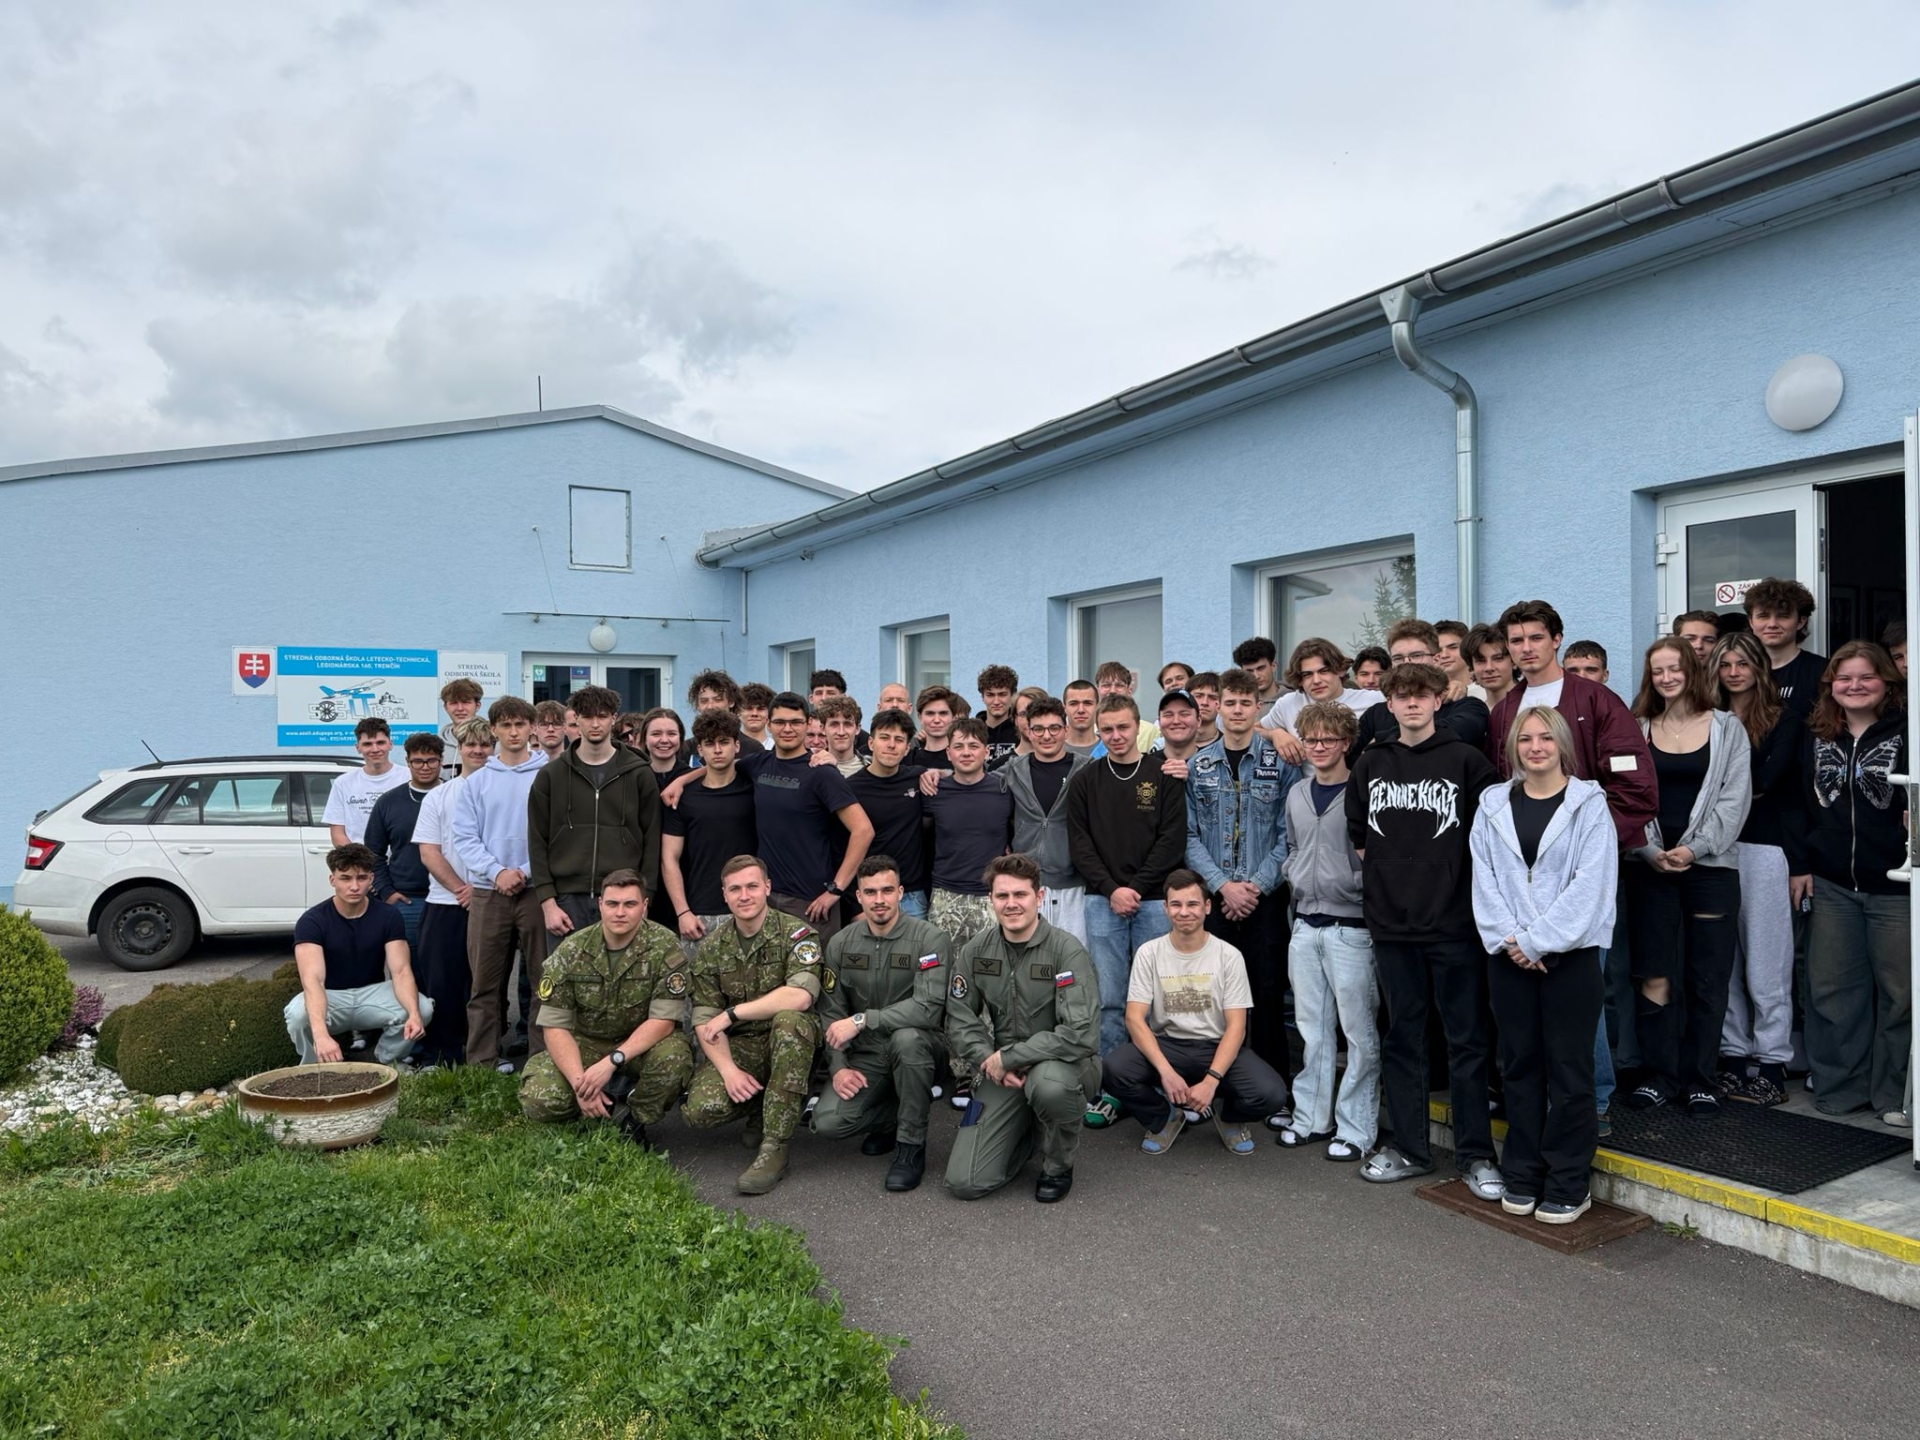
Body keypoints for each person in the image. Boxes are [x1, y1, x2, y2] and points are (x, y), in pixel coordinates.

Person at [1348, 662, 1505, 1198]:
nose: (1412, 704)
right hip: (1392, 925)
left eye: (1422, 695)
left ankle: (1477, 1155)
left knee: (1466, 1040)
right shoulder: (1371, 762)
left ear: (1440, 700)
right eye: (1401, 696)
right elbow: (1362, 839)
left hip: (1455, 925)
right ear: (1387, 703)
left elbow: (1491, 840)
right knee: (1403, 1038)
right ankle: (1412, 1150)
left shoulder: (1467, 761)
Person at [1470, 706, 1619, 1224]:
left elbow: (1591, 884)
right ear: (1513, 747)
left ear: (1561, 746)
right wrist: (1513, 942)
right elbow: (1484, 879)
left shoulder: (1589, 805)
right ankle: (1524, 1170)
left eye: (1545, 739)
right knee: (1519, 1067)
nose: (1535, 747)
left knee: (1570, 1070)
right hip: (1507, 958)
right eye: (1525, 739)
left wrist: (1538, 941)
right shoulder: (1492, 804)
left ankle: (1569, 1180)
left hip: (1570, 958)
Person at [1623, 638, 1752, 1115]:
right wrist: (1649, 850)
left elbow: (1734, 801)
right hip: (1650, 869)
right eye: (1658, 671)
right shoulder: (1636, 730)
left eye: (1675, 668)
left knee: (1707, 977)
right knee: (1654, 974)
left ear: (1692, 670)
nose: (1667, 677)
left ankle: (1700, 1077)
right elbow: (1622, 797)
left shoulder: (1726, 728)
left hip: (1711, 870)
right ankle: (1660, 1074)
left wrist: (1694, 849)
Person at [1786, 642, 1910, 1126]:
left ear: (1887, 682)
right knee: (1832, 990)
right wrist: (1801, 864)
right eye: (1844, 678)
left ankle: (1895, 1095)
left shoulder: (1909, 730)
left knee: (1901, 996)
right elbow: (1796, 805)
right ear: (1830, 686)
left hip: (1896, 885)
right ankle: (1841, 1089)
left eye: (1866, 677)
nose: (1855, 686)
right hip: (1832, 882)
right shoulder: (1816, 734)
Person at [1100, 869, 1289, 1157]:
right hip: (1168, 1045)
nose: (1184, 912)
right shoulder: (1149, 953)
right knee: (1112, 1069)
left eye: (1192, 904)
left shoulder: (1228, 955)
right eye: (1176, 904)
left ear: (1207, 907)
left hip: (1216, 1046)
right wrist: (1166, 1073)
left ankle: (1230, 1118)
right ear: (1165, 908)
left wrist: (1212, 1081)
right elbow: (1134, 1019)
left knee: (1272, 1094)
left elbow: (1237, 1026)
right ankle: (1165, 1118)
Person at [945, 855, 1100, 1203]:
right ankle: (1028, 1131)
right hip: (1002, 1071)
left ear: (1039, 897)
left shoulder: (1066, 951)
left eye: (1021, 895)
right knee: (964, 1182)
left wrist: (1011, 1056)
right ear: (991, 901)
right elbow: (959, 1018)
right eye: (1002, 896)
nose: (1011, 904)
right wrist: (988, 1059)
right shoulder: (975, 951)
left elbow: (1081, 1033)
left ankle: (1058, 1164)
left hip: (1064, 1066)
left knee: (1049, 1087)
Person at [517, 871, 695, 1148]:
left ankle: (634, 1118)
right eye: (612, 904)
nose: (620, 912)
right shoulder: (572, 950)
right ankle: (594, 1109)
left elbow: (663, 1021)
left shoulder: (664, 946)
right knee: (540, 1099)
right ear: (600, 904)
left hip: (640, 1044)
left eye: (630, 904)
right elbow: (555, 1025)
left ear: (645, 906)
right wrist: (581, 1084)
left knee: (674, 1059)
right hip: (585, 1041)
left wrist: (610, 1062)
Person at [811, 856, 953, 1191]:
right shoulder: (842, 943)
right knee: (827, 1123)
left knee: (906, 1039)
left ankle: (910, 1146)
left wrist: (864, 1019)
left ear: (901, 892)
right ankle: (895, 1112)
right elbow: (831, 1012)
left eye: (887, 890)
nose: (879, 899)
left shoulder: (930, 940)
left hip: (922, 1048)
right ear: (858, 896)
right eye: (870, 891)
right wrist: (839, 1067)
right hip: (868, 1056)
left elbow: (928, 1009)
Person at [685, 856, 825, 1194]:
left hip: (793, 1038)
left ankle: (775, 1148)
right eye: (735, 889)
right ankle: (764, 1107)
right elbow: (705, 1021)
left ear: (767, 887)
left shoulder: (797, 933)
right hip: (743, 1046)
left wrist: (733, 1013)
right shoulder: (712, 948)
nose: (744, 895)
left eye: (751, 886)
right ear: (724, 895)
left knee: (790, 1022)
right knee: (700, 1110)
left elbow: (800, 997)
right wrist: (729, 1071)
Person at [1277, 699, 1378, 1161]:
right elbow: (1294, 845)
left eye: (1329, 740)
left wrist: (1356, 884)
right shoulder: (1297, 793)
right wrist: (1293, 872)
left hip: (1352, 927)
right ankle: (1311, 1119)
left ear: (1346, 743)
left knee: (1358, 1033)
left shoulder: (1362, 789)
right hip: (1306, 923)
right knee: (1312, 1029)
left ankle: (1356, 1129)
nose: (1319, 747)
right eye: (1311, 739)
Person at [1187, 669, 1298, 1083]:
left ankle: (1271, 1088)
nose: (1236, 710)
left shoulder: (1281, 763)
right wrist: (1223, 886)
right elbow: (1189, 835)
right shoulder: (1198, 766)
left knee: (1267, 995)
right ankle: (1212, 1084)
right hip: (1215, 900)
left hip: (1264, 898)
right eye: (1228, 702)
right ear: (1214, 707)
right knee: (1212, 998)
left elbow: (1290, 834)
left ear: (1257, 707)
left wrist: (1254, 887)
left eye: (1244, 703)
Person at [1066, 695, 1187, 1069]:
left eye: (1123, 727)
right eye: (1108, 729)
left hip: (1153, 900)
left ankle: (1156, 1075)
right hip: (1102, 901)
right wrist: (1112, 889)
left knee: (1159, 995)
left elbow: (1172, 839)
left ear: (1139, 726)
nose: (1116, 735)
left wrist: (1135, 887)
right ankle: (1114, 1078)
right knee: (1110, 997)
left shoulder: (1164, 773)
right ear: (1098, 731)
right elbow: (1080, 843)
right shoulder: (1085, 779)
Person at [1710, 631, 1803, 1106]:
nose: (1733, 672)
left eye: (1743, 663)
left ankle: (1771, 1059)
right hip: (1712, 850)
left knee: (1767, 961)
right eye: (1725, 664)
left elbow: (1768, 779)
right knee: (1723, 961)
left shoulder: (1782, 717)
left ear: (1758, 668)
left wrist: (1719, 792)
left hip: (1763, 846)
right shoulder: (1707, 719)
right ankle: (1732, 1053)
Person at [452, 695, 550, 1070]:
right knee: (485, 985)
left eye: (520, 724)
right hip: (488, 892)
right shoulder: (476, 783)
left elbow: (554, 835)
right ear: (493, 730)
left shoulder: (549, 775)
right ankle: (481, 1063)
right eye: (505, 725)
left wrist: (523, 871)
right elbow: (465, 837)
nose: (513, 732)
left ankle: (543, 1064)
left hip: (536, 891)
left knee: (545, 981)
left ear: (532, 728)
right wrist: (497, 872)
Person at [528, 683, 664, 943]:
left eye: (602, 716)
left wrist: (645, 899)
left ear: (613, 719)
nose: (595, 724)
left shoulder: (639, 773)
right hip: (566, 901)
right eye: (588, 716)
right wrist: (548, 903)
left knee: (624, 980)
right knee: (567, 982)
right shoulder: (551, 775)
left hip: (623, 897)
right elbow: (536, 840)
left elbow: (651, 841)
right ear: (575, 719)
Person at [285, 843, 431, 1065]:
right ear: (332, 880)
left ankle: (390, 1061)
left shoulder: (388, 915)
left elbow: (400, 971)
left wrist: (413, 1014)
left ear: (371, 879)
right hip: (331, 996)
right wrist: (321, 1035)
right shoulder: (312, 920)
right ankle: (315, 1068)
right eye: (345, 878)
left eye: (361, 878)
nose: (354, 886)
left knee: (423, 1007)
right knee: (297, 1015)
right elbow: (312, 981)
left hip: (371, 994)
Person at [743, 692, 874, 936]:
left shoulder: (821, 772)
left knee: (812, 974)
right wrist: (681, 782)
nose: (787, 728)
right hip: (767, 899)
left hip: (811, 903)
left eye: (795, 722)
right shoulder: (757, 764)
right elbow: (719, 768)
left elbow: (863, 830)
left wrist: (836, 890)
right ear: (769, 725)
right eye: (780, 722)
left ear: (808, 725)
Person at [412, 720, 492, 1066]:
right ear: (459, 749)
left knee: (485, 985)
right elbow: (429, 851)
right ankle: (441, 1055)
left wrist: (481, 887)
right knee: (442, 985)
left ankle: (483, 1054)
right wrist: (462, 889)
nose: (478, 750)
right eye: (471, 744)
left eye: (485, 744)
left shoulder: (506, 791)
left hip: (492, 900)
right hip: (445, 903)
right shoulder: (438, 796)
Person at [661, 710, 760, 956]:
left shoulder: (756, 787)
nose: (717, 750)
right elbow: (669, 858)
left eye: (724, 742)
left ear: (737, 746)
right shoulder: (683, 797)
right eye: (709, 743)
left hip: (751, 907)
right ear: (699, 750)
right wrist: (682, 912)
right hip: (700, 913)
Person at [1001, 696, 1090, 943]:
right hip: (1027, 883)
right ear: (1027, 731)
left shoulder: (1087, 770)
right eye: (1038, 729)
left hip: (1072, 885)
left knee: (1074, 957)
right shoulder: (1012, 770)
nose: (1046, 735)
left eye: (1054, 728)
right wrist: (934, 773)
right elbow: (972, 778)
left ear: (1066, 729)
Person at [921, 717, 1014, 945]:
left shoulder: (1005, 789)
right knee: (946, 972)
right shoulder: (933, 790)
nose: (966, 753)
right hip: (946, 894)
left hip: (992, 895)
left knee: (993, 971)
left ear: (987, 751)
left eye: (973, 746)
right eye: (959, 746)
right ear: (948, 752)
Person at [1349, 621, 1489, 762]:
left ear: (1437, 659)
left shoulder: (1467, 707)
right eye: (1398, 658)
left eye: (1416, 655)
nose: (1407, 662)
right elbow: (1349, 758)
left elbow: (1461, 731)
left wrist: (1383, 739)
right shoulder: (1375, 715)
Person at [846, 708, 933, 920]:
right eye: (884, 738)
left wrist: (936, 773)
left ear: (906, 749)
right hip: (868, 894)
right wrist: (854, 906)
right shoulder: (850, 788)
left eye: (899, 740)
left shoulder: (918, 778)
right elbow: (840, 849)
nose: (891, 745)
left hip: (912, 896)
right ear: (870, 743)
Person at [364, 732, 444, 949]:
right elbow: (372, 853)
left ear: (441, 761)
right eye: (418, 761)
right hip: (407, 900)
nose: (425, 767)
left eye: (431, 760)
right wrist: (386, 892)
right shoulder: (389, 802)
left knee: (452, 968)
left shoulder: (455, 795)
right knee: (410, 970)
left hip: (450, 897)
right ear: (408, 762)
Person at [1260, 638, 1384, 763]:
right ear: (1299, 679)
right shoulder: (1288, 703)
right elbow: (1253, 731)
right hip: (1304, 782)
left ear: (1340, 670)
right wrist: (1275, 734)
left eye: (1324, 671)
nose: (1316, 680)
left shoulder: (1375, 700)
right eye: (1307, 674)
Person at [1745, 577, 1825, 719]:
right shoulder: (1739, 671)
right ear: (1751, 622)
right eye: (1763, 616)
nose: (1772, 624)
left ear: (1800, 622)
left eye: (1783, 616)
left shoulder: (1822, 671)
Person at [324, 717, 411, 846]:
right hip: (361, 863)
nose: (375, 749)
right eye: (367, 744)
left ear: (390, 744)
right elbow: (337, 833)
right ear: (358, 747)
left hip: (400, 863)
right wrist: (356, 862)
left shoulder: (409, 777)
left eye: (380, 742)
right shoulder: (343, 783)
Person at [1092, 661, 1160, 753]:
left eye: (1119, 685)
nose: (1112, 690)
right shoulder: (1090, 731)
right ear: (1097, 691)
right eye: (1106, 685)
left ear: (1129, 691)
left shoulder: (1149, 732)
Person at [1153, 688, 1207, 776]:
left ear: (1199, 720)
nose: (1176, 721)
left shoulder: (1214, 765)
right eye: (1168, 715)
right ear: (1159, 722)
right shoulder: (1145, 767)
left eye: (1184, 714)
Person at [977, 664, 1021, 768]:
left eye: (1002, 694)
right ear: (982, 697)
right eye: (990, 695)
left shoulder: (1020, 730)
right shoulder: (973, 732)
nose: (996, 701)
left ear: (1013, 696)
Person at [908, 685, 960, 771]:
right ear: (919, 717)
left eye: (943, 713)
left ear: (953, 717)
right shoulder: (907, 759)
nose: (936, 720)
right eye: (930, 713)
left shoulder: (964, 758)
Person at [437, 678, 484, 772]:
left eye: (466, 702)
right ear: (446, 707)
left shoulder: (493, 743)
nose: (460, 708)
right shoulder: (436, 746)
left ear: (477, 705)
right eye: (454, 703)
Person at [1434, 619, 1487, 702]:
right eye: (1438, 649)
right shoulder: (1429, 695)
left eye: (1453, 647)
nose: (1444, 655)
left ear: (1468, 648)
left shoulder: (1487, 689)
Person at [816, 694, 867, 776]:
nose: (841, 732)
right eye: (834, 724)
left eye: (847, 724)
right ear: (822, 729)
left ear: (857, 729)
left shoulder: (872, 767)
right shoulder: (812, 767)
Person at [1465, 625, 1513, 712]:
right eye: (1480, 660)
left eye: (1498, 658)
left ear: (1513, 662)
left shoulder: (1530, 705)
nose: (1489, 668)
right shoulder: (1473, 711)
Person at [1232, 637, 1283, 706]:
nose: (1256, 676)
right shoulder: (1234, 704)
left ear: (1273, 666)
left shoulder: (1293, 700)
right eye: (1249, 671)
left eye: (1261, 668)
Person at [1063, 679, 1101, 756]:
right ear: (1064, 708)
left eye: (1088, 703)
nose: (1081, 710)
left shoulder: (1109, 749)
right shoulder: (1055, 751)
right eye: (1073, 704)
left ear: (1097, 707)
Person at [738, 682, 775, 749]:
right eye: (748, 708)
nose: (754, 714)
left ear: (769, 713)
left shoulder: (776, 749)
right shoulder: (731, 749)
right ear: (738, 712)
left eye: (760, 709)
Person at [1188, 671, 1223, 744]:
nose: (1204, 702)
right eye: (1198, 696)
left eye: (1213, 697)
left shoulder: (1229, 747)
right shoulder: (1169, 746)